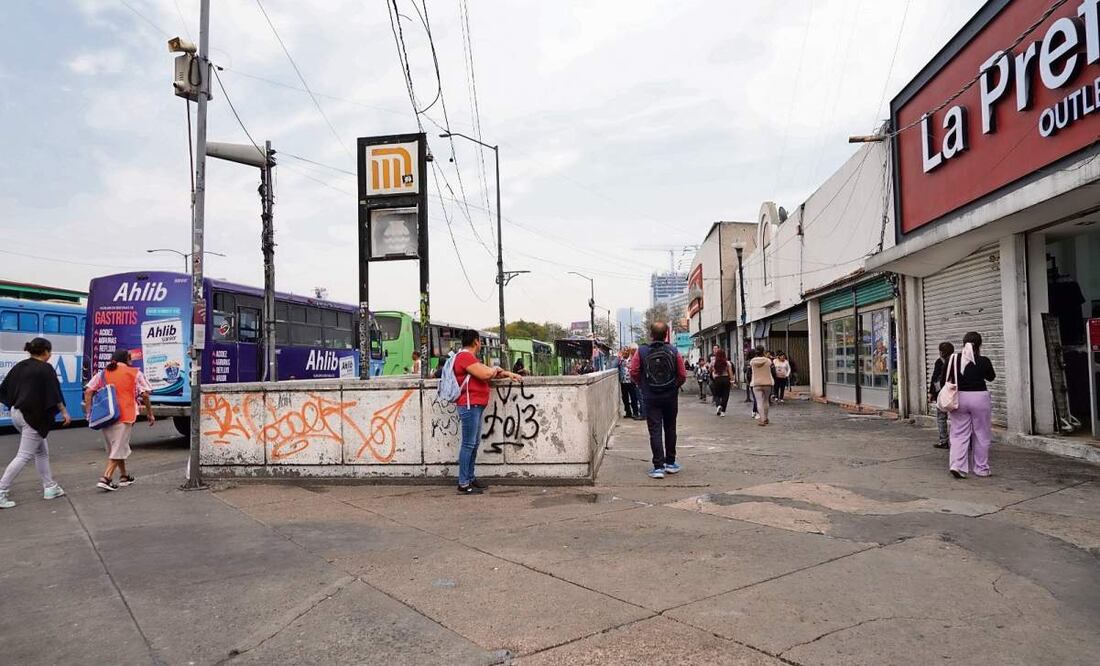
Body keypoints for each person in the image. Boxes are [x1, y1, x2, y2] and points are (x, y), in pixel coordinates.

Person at [452, 329, 524, 495]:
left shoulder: (470, 358)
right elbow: (486, 374)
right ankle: (463, 483)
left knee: (473, 443)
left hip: (474, 405)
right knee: (468, 444)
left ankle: (470, 478)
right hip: (469, 405)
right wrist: (496, 368)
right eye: (480, 341)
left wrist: (507, 373)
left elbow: (489, 373)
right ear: (476, 341)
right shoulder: (464, 357)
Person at [0, 338, 69, 508]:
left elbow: (5, 388)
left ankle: (49, 487)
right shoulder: (46, 369)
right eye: (50, 351)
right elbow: (55, 394)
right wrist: (64, 412)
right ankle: (1, 490)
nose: (51, 355)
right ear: (45, 351)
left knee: (41, 452)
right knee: (24, 455)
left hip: (16, 412)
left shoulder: (20, 366)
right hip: (33, 417)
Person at [84, 350, 155, 491]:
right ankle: (106, 478)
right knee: (118, 447)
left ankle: (124, 476)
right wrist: (150, 413)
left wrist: (89, 413)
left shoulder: (103, 373)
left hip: (106, 415)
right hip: (125, 415)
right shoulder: (135, 373)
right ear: (127, 359)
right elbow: (146, 395)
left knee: (116, 446)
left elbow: (88, 391)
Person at [629, 321, 687, 479]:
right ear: (666, 334)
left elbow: (633, 371)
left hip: (650, 396)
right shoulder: (673, 350)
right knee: (670, 428)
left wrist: (643, 385)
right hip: (670, 396)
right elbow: (682, 374)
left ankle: (658, 467)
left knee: (655, 430)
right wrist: (674, 386)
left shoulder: (641, 351)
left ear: (651, 334)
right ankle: (671, 463)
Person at [948, 332, 996, 479]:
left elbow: (945, 378)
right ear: (980, 344)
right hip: (980, 398)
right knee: (981, 434)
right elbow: (991, 377)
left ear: (963, 343)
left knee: (958, 434)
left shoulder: (954, 359)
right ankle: (981, 469)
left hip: (959, 398)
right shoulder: (983, 360)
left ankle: (957, 466)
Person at [928, 341, 955, 449]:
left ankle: (944, 441)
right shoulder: (957, 360)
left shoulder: (940, 362)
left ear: (941, 352)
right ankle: (960, 440)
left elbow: (934, 378)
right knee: (957, 418)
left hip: (942, 394)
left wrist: (931, 393)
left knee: (941, 417)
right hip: (955, 393)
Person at [750, 346, 774, 425]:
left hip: (756, 383)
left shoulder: (752, 361)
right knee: (766, 401)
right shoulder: (768, 361)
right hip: (767, 383)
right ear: (763, 351)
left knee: (759, 401)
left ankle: (762, 419)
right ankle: (766, 418)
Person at [710, 349, 734, 417]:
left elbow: (710, 370)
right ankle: (723, 412)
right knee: (725, 395)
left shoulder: (713, 362)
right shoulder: (727, 363)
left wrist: (713, 372)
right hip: (726, 379)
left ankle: (718, 405)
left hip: (717, 379)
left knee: (717, 394)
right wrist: (732, 381)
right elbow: (730, 373)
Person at [616, 349, 638, 418]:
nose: (625, 353)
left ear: (629, 352)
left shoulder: (632, 360)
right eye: (624, 352)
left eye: (626, 352)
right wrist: (618, 357)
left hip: (631, 382)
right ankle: (628, 412)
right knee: (625, 398)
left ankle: (635, 413)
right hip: (623, 382)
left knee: (633, 398)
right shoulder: (621, 361)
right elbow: (614, 365)